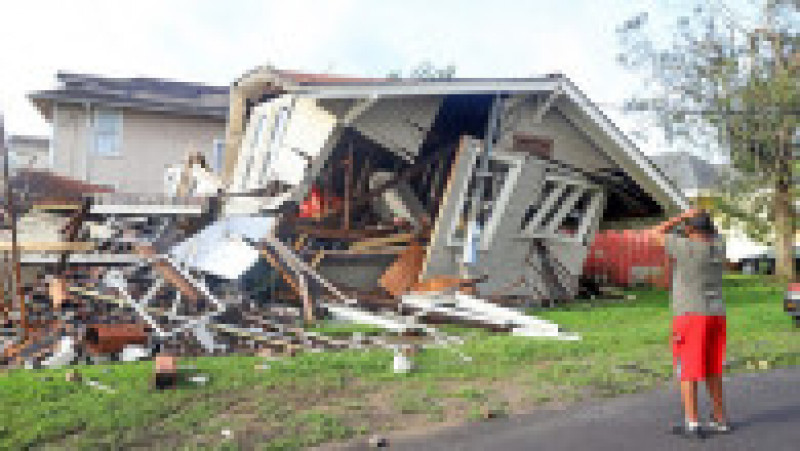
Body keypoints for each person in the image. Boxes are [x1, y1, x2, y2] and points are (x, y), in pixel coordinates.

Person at [648, 208, 731, 439]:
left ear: (691, 230)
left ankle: (692, 424)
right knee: (713, 368)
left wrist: (681, 217)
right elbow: (714, 233)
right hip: (717, 314)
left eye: (686, 228)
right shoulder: (719, 246)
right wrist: (697, 221)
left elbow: (653, 232)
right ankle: (720, 419)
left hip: (691, 316)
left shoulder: (687, 248)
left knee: (688, 370)